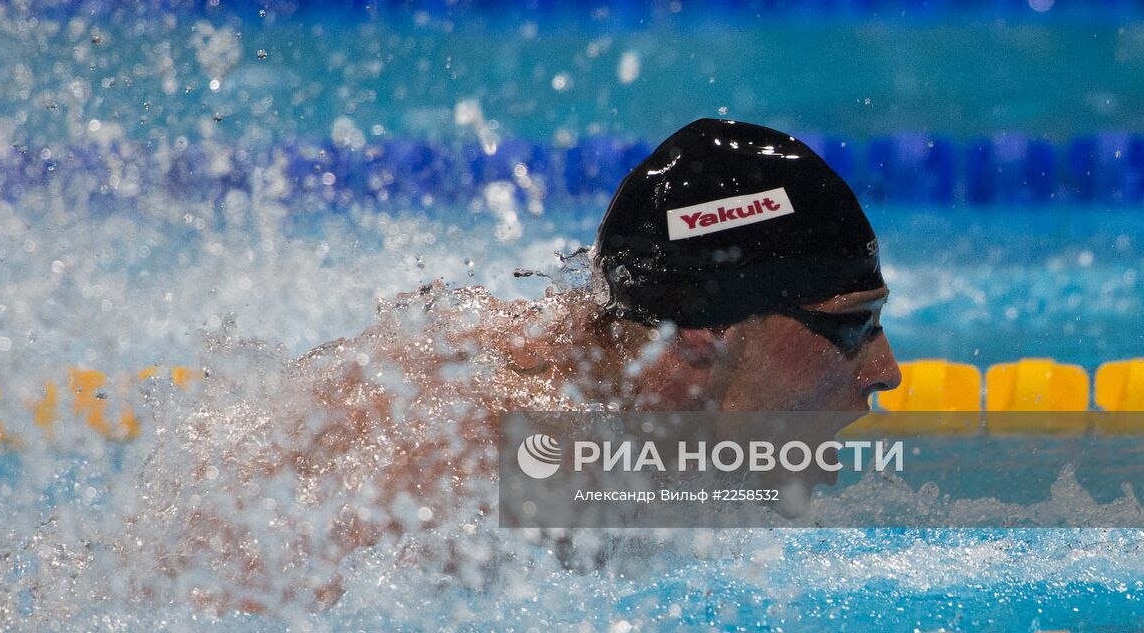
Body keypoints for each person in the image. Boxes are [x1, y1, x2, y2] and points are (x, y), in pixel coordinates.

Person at [130, 118, 902, 613]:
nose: (884, 369)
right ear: (705, 330)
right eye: (851, 325)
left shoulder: (621, 427)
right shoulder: (479, 444)